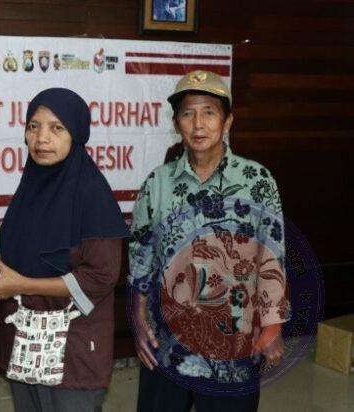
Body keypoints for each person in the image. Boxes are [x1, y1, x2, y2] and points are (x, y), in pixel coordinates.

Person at [128, 70, 289, 412]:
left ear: (227, 121)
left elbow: (272, 257)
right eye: (188, 113)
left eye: (209, 112)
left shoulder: (257, 181)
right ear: (176, 123)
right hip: (166, 347)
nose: (198, 124)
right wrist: (138, 321)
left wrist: (272, 325)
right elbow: (140, 257)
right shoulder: (157, 184)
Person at [0, 88, 130, 411]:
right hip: (23, 346)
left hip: (74, 354)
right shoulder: (30, 187)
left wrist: (23, 285)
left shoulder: (92, 194)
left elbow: (100, 277)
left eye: (57, 128)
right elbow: (10, 265)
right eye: (33, 126)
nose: (42, 138)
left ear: (76, 134)